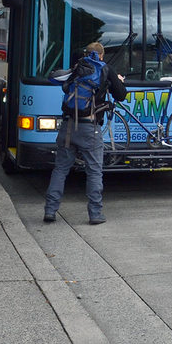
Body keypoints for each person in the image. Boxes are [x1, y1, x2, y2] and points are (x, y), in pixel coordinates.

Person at [44, 42, 127, 225]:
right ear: (101, 55)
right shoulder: (105, 69)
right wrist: (118, 82)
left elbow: (65, 87)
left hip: (68, 127)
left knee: (60, 169)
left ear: (86, 53)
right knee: (94, 171)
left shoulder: (76, 69)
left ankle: (50, 210)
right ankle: (95, 214)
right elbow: (121, 95)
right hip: (90, 128)